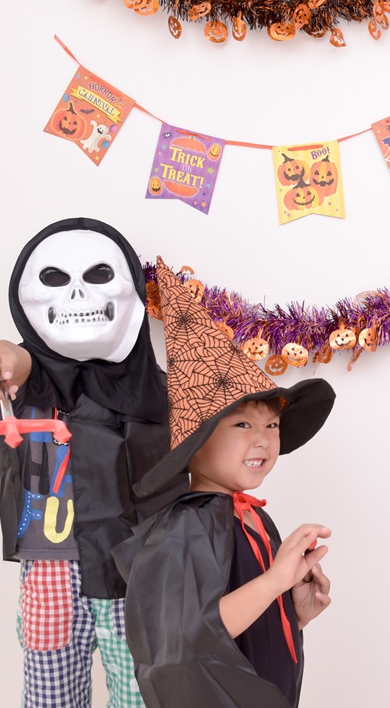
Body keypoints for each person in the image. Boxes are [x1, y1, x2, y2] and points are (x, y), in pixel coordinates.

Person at [0, 218, 187, 708]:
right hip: (53, 570)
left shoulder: (158, 387)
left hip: (138, 576)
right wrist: (0, 355)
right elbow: (16, 359)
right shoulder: (33, 382)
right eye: (55, 280)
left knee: (144, 699)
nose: (75, 297)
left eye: (95, 277)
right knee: (49, 700)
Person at [112, 258, 336, 708]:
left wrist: (291, 613)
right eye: (241, 426)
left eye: (272, 426)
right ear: (192, 445)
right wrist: (274, 581)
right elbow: (183, 640)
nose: (263, 440)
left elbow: (238, 628)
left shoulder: (253, 517)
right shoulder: (184, 528)